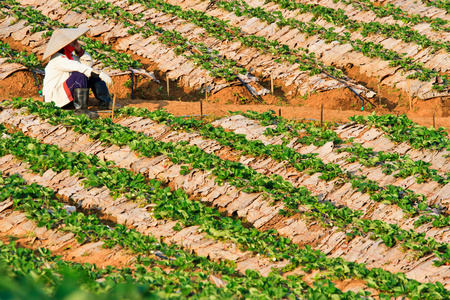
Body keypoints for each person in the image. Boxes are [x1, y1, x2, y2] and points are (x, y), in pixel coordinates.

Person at [42, 28, 120, 119]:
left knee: (89, 74)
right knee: (79, 75)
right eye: (73, 42)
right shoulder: (57, 60)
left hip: (64, 97)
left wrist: (80, 51)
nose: (75, 43)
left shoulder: (70, 57)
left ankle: (105, 102)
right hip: (55, 99)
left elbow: (87, 65)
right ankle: (81, 111)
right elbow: (80, 68)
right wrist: (101, 74)